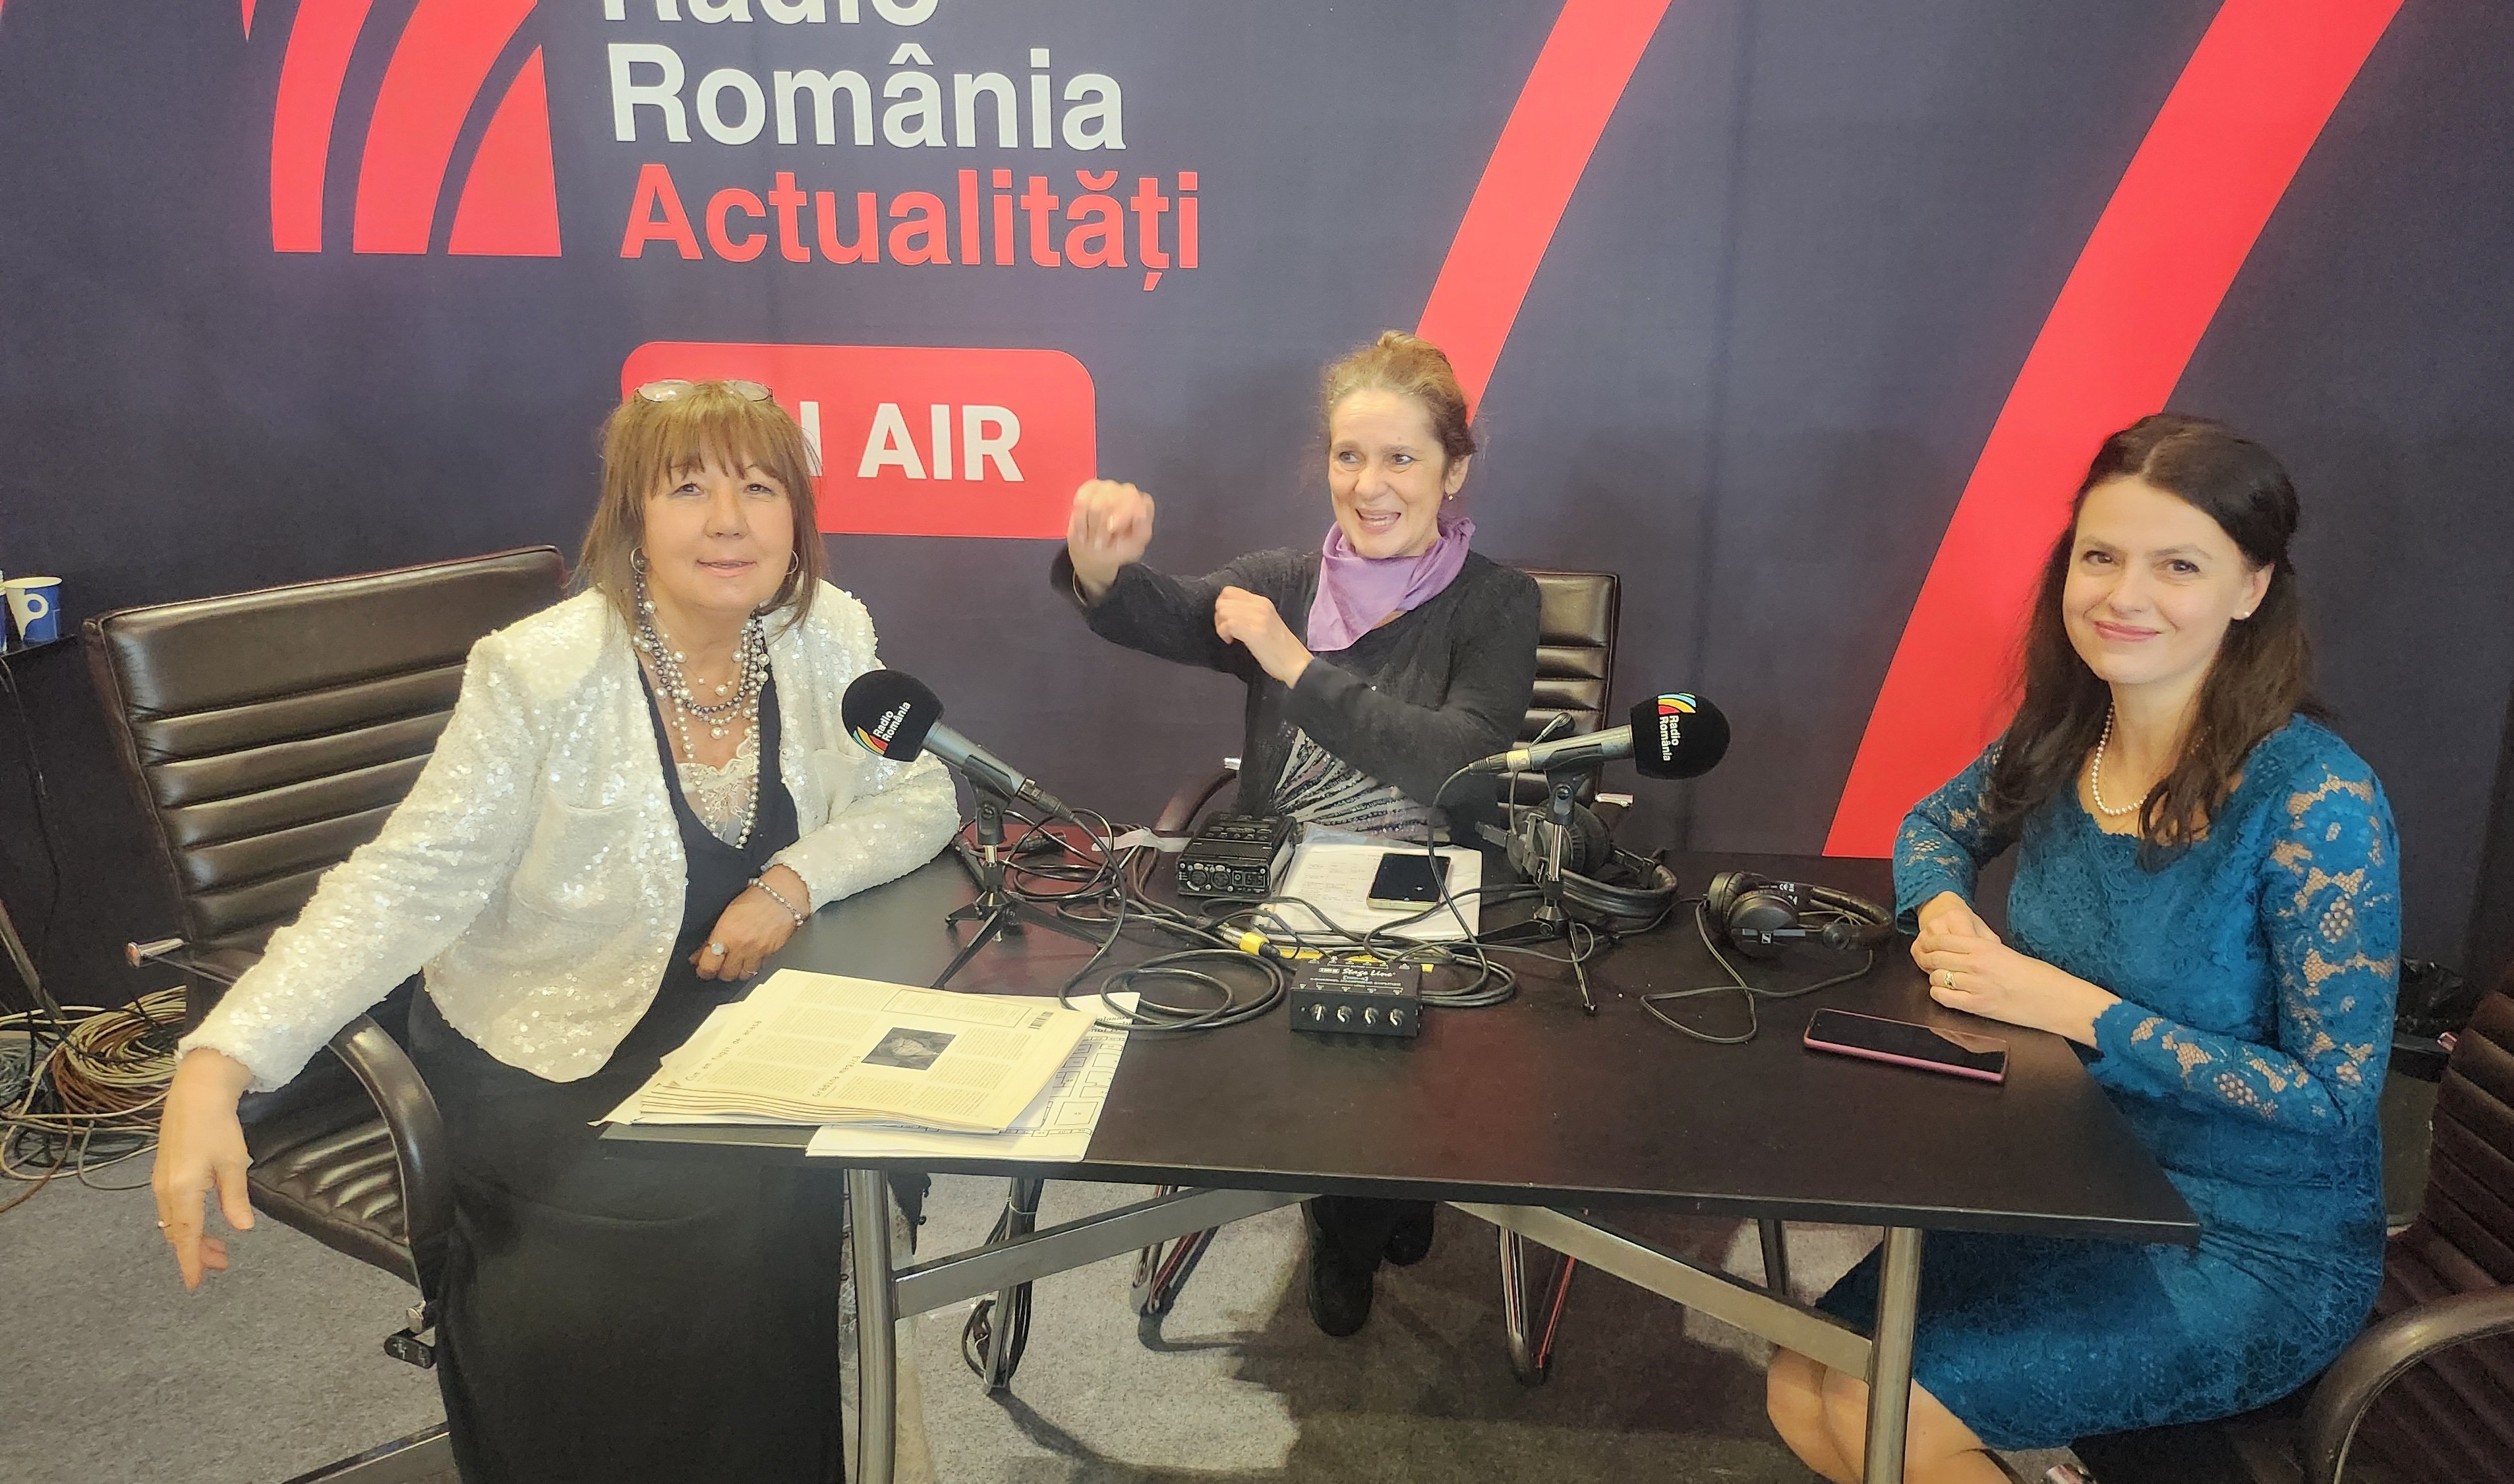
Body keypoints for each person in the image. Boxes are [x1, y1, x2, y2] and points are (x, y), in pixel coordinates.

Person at [150, 380, 960, 1484]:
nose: (730, 521)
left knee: (824, 1185)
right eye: (689, 490)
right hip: (552, 1053)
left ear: (797, 518)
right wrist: (222, 1060)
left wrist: (791, 883)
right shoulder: (541, 672)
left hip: (745, 1041)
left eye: (761, 489)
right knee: (710, 1226)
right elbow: (406, 883)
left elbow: (920, 797)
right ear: (632, 520)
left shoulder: (828, 636)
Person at [1765, 415, 2401, 1483]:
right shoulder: (2073, 732)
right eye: (2100, 557)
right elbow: (1933, 830)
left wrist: (2071, 1008)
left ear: (2251, 589)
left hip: (2247, 1238)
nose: (2123, 595)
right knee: (1803, 1375)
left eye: (2178, 565)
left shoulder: (2316, 802)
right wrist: (1942, 913)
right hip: (2065, 1175)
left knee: (1887, 1415)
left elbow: (2334, 1098)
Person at [1054, 329, 1541, 1336]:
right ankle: (1348, 1217)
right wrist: (1100, 570)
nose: (1369, 485)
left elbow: (1455, 763)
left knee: (1391, 1050)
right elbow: (1166, 612)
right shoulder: (1280, 583)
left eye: (1401, 457)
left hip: (1427, 889)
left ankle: (1377, 1192)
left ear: (1452, 469)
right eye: (1349, 456)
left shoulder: (1498, 602)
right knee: (1326, 1060)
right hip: (1282, 886)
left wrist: (1295, 666)